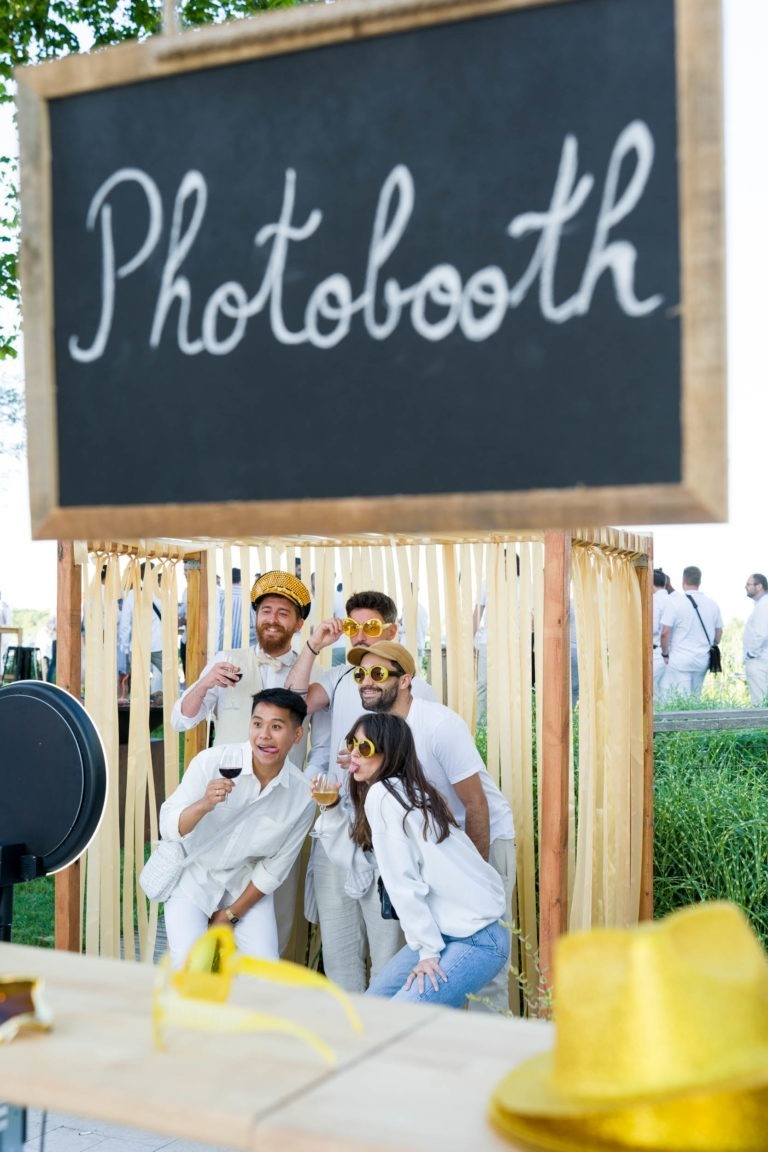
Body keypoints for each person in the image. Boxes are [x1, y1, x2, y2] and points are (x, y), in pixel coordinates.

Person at [345, 640, 515, 1013]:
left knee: (485, 987)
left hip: (477, 845)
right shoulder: (385, 761)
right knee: (397, 1000)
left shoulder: (437, 725)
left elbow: (476, 805)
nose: (366, 681)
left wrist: (469, 878)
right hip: (441, 858)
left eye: (377, 673)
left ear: (405, 680)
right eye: (360, 674)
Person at [286, 590, 437, 992]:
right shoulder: (339, 677)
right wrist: (314, 645)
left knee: (388, 958)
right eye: (353, 627)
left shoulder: (414, 690)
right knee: (339, 955)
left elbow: (420, 764)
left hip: (387, 834)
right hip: (336, 823)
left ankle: (384, 1040)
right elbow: (291, 702)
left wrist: (369, 762)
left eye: (370, 627)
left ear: (393, 629)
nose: (359, 636)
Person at [313, 713, 509, 1007]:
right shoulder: (405, 790)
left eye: (364, 748)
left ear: (389, 753)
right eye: (351, 743)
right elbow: (362, 861)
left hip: (475, 938)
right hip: (450, 931)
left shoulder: (384, 794)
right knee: (372, 1010)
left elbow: (403, 881)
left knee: (395, 1020)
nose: (353, 752)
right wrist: (330, 809)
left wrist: (427, 952)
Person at [171, 569, 312, 956]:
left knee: (273, 911)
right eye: (265, 610)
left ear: (298, 624)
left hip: (275, 806)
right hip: (224, 800)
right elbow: (182, 719)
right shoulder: (226, 661)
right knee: (198, 922)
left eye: (284, 613)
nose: (272, 619)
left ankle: (262, 995)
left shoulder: (308, 668)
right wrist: (203, 683)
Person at [160, 688, 315, 969]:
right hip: (193, 876)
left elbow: (274, 870)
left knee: (264, 971)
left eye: (276, 726)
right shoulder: (211, 763)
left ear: (297, 735)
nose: (264, 735)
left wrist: (230, 915)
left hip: (244, 885)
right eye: (257, 724)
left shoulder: (303, 796)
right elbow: (169, 826)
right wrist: (204, 804)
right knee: (189, 966)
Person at [659, 566, 723, 702]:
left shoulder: (675, 603)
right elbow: (719, 633)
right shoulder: (712, 604)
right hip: (701, 659)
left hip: (679, 659)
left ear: (683, 580)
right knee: (695, 698)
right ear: (699, 581)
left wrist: (665, 654)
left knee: (677, 700)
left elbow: (665, 633)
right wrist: (713, 643)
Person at [743, 573, 768, 705]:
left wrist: (751, 654)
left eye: (748, 584)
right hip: (761, 658)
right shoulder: (762, 604)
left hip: (759, 661)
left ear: (759, 586)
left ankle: (763, 727)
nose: (745, 587)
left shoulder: (764, 605)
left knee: (759, 703)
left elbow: (761, 633)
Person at [652, 568, 670, 703]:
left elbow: (652, 628)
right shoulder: (673, 600)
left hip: (657, 651)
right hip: (671, 653)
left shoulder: (654, 601)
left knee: (654, 695)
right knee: (665, 694)